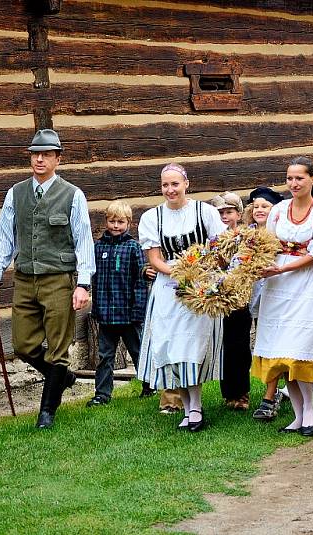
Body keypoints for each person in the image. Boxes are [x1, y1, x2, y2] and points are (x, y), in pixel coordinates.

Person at [0, 129, 95, 429]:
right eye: (35, 154)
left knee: (58, 348)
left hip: (58, 279)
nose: (40, 159)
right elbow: (4, 237)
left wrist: (83, 284)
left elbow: (84, 240)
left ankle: (46, 413)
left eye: (46, 154)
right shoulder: (16, 193)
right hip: (24, 279)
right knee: (23, 344)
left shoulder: (73, 195)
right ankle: (63, 377)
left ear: (58, 158)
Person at [252, 157, 313, 437]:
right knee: (282, 353)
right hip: (278, 286)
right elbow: (266, 245)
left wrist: (281, 266)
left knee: (300, 350)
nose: (294, 183)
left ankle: (310, 411)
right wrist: (258, 265)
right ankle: (297, 414)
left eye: (299, 178)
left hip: (307, 284)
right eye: (290, 178)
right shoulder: (278, 211)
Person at [137, 163, 228, 432]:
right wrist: (179, 271)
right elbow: (154, 258)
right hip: (169, 289)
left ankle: (196, 408)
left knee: (193, 347)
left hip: (200, 288)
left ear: (186, 184)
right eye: (165, 185)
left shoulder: (205, 212)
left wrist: (199, 272)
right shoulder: (152, 218)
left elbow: (219, 247)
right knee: (172, 347)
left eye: (175, 184)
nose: (170, 190)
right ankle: (187, 409)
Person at [87, 200, 150, 407]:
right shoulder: (98, 247)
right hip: (106, 313)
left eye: (120, 222)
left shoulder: (133, 248)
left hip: (129, 313)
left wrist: (139, 310)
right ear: (106, 221)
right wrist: (95, 309)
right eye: (112, 221)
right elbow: (93, 279)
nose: (115, 226)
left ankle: (149, 385)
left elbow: (141, 282)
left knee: (139, 352)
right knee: (105, 356)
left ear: (129, 223)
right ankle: (102, 394)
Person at [245, 186, 288, 422]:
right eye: (257, 206)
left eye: (266, 206)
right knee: (267, 343)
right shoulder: (246, 235)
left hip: (280, 293)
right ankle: (274, 391)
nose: (260, 210)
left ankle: (271, 396)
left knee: (279, 343)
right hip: (257, 296)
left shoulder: (281, 234)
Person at [209, 191, 253, 411]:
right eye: (220, 213)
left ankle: (242, 392)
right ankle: (228, 393)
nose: (225, 216)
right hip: (220, 298)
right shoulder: (213, 239)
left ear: (239, 212)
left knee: (240, 347)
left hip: (241, 297)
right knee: (224, 347)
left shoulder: (247, 236)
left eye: (229, 212)